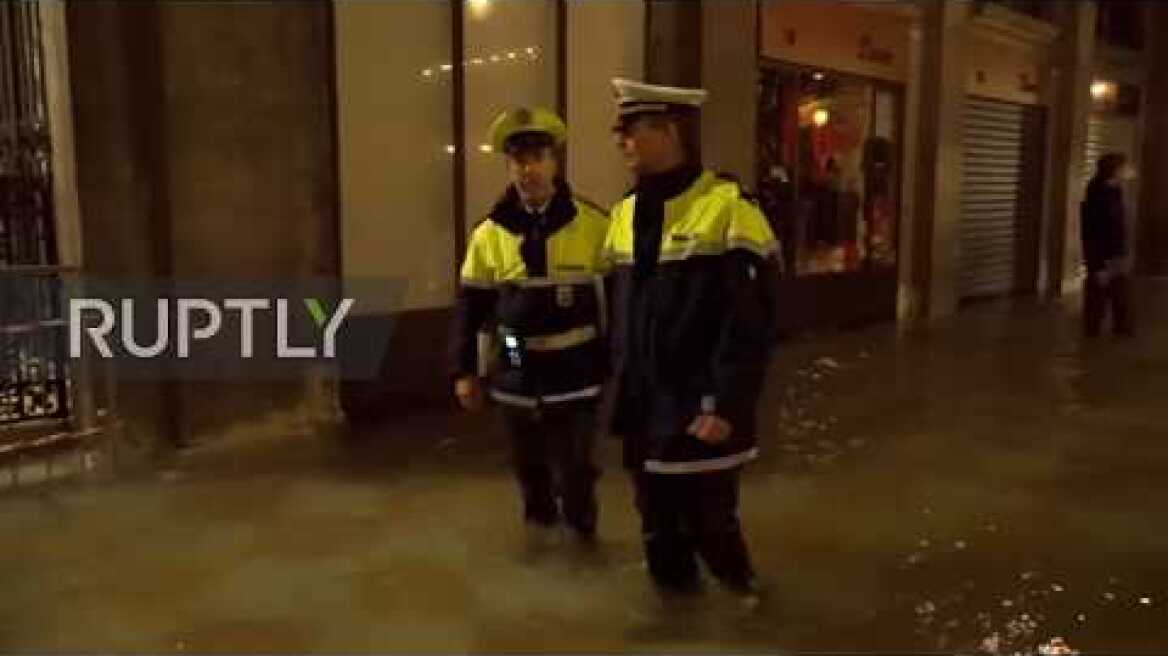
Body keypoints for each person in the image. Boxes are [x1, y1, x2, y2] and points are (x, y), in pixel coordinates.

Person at [602, 78, 779, 597]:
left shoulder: (728, 207)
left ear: (672, 131)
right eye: (620, 132)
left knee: (711, 527)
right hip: (643, 407)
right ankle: (677, 623)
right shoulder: (624, 213)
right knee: (657, 530)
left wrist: (727, 404)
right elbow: (621, 313)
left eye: (633, 130)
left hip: (701, 407)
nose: (622, 142)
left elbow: (750, 322)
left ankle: (749, 615)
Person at [449, 107, 610, 546]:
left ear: (555, 163)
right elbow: (471, 308)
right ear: (509, 166)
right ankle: (540, 543)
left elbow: (616, 303)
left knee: (576, 471)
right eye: (519, 160)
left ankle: (582, 543)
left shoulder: (593, 224)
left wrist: (617, 365)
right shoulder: (488, 233)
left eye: (538, 157)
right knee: (529, 470)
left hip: (575, 369)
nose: (529, 169)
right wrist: (464, 371)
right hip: (516, 358)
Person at [1081, 152, 1135, 338]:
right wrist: (1097, 265)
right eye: (1126, 167)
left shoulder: (1116, 191)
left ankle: (1121, 333)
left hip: (1117, 255)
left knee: (1122, 298)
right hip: (1103, 257)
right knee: (1097, 299)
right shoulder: (1097, 194)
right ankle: (1092, 338)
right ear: (1116, 170)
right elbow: (1092, 232)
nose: (1130, 170)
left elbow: (1118, 227)